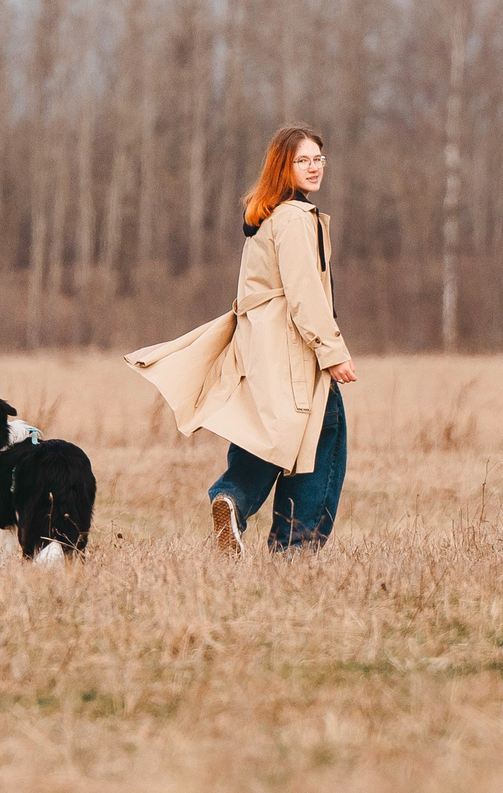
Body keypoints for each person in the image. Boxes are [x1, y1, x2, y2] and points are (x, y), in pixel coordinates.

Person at [125, 124, 355, 555]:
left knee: (270, 431)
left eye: (318, 159)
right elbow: (305, 295)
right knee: (325, 435)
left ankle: (232, 497)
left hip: (261, 349)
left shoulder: (267, 215)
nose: (313, 168)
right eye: (301, 160)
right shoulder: (293, 220)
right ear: (282, 167)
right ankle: (295, 547)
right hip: (292, 349)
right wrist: (332, 353)